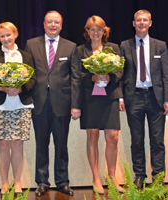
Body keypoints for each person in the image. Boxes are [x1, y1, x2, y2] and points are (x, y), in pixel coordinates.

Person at [25, 11, 82, 197]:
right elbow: (28, 73)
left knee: (61, 144)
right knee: (41, 144)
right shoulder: (31, 44)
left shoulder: (71, 47)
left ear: (61, 25)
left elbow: (75, 78)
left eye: (56, 22)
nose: (53, 25)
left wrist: (75, 104)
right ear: (43, 24)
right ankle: (42, 182)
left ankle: (62, 181)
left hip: (62, 103)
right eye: (50, 22)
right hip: (39, 101)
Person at [0, 22, 36, 197]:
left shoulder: (26, 56)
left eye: (9, 34)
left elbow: (33, 80)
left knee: (18, 144)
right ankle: (5, 183)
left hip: (22, 104)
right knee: (3, 144)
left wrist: (22, 88)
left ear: (16, 34)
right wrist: (2, 88)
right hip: (0, 105)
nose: (6, 38)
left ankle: (18, 182)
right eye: (2, 36)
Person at [120, 9, 168, 189]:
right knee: (137, 140)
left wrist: (167, 99)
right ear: (133, 23)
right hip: (134, 98)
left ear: (150, 23)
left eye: (145, 20)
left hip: (156, 98)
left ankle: (158, 179)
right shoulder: (125, 46)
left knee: (157, 141)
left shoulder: (160, 45)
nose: (141, 23)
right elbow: (121, 74)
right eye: (138, 20)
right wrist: (121, 99)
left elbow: (165, 74)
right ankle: (139, 176)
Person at [77, 16, 124, 194]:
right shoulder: (80, 50)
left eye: (99, 29)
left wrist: (109, 77)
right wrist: (92, 78)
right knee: (93, 136)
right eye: (92, 29)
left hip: (110, 96)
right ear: (87, 32)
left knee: (113, 137)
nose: (95, 32)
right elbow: (76, 75)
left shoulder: (114, 49)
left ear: (105, 31)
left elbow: (121, 72)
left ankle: (112, 179)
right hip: (90, 98)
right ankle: (96, 177)